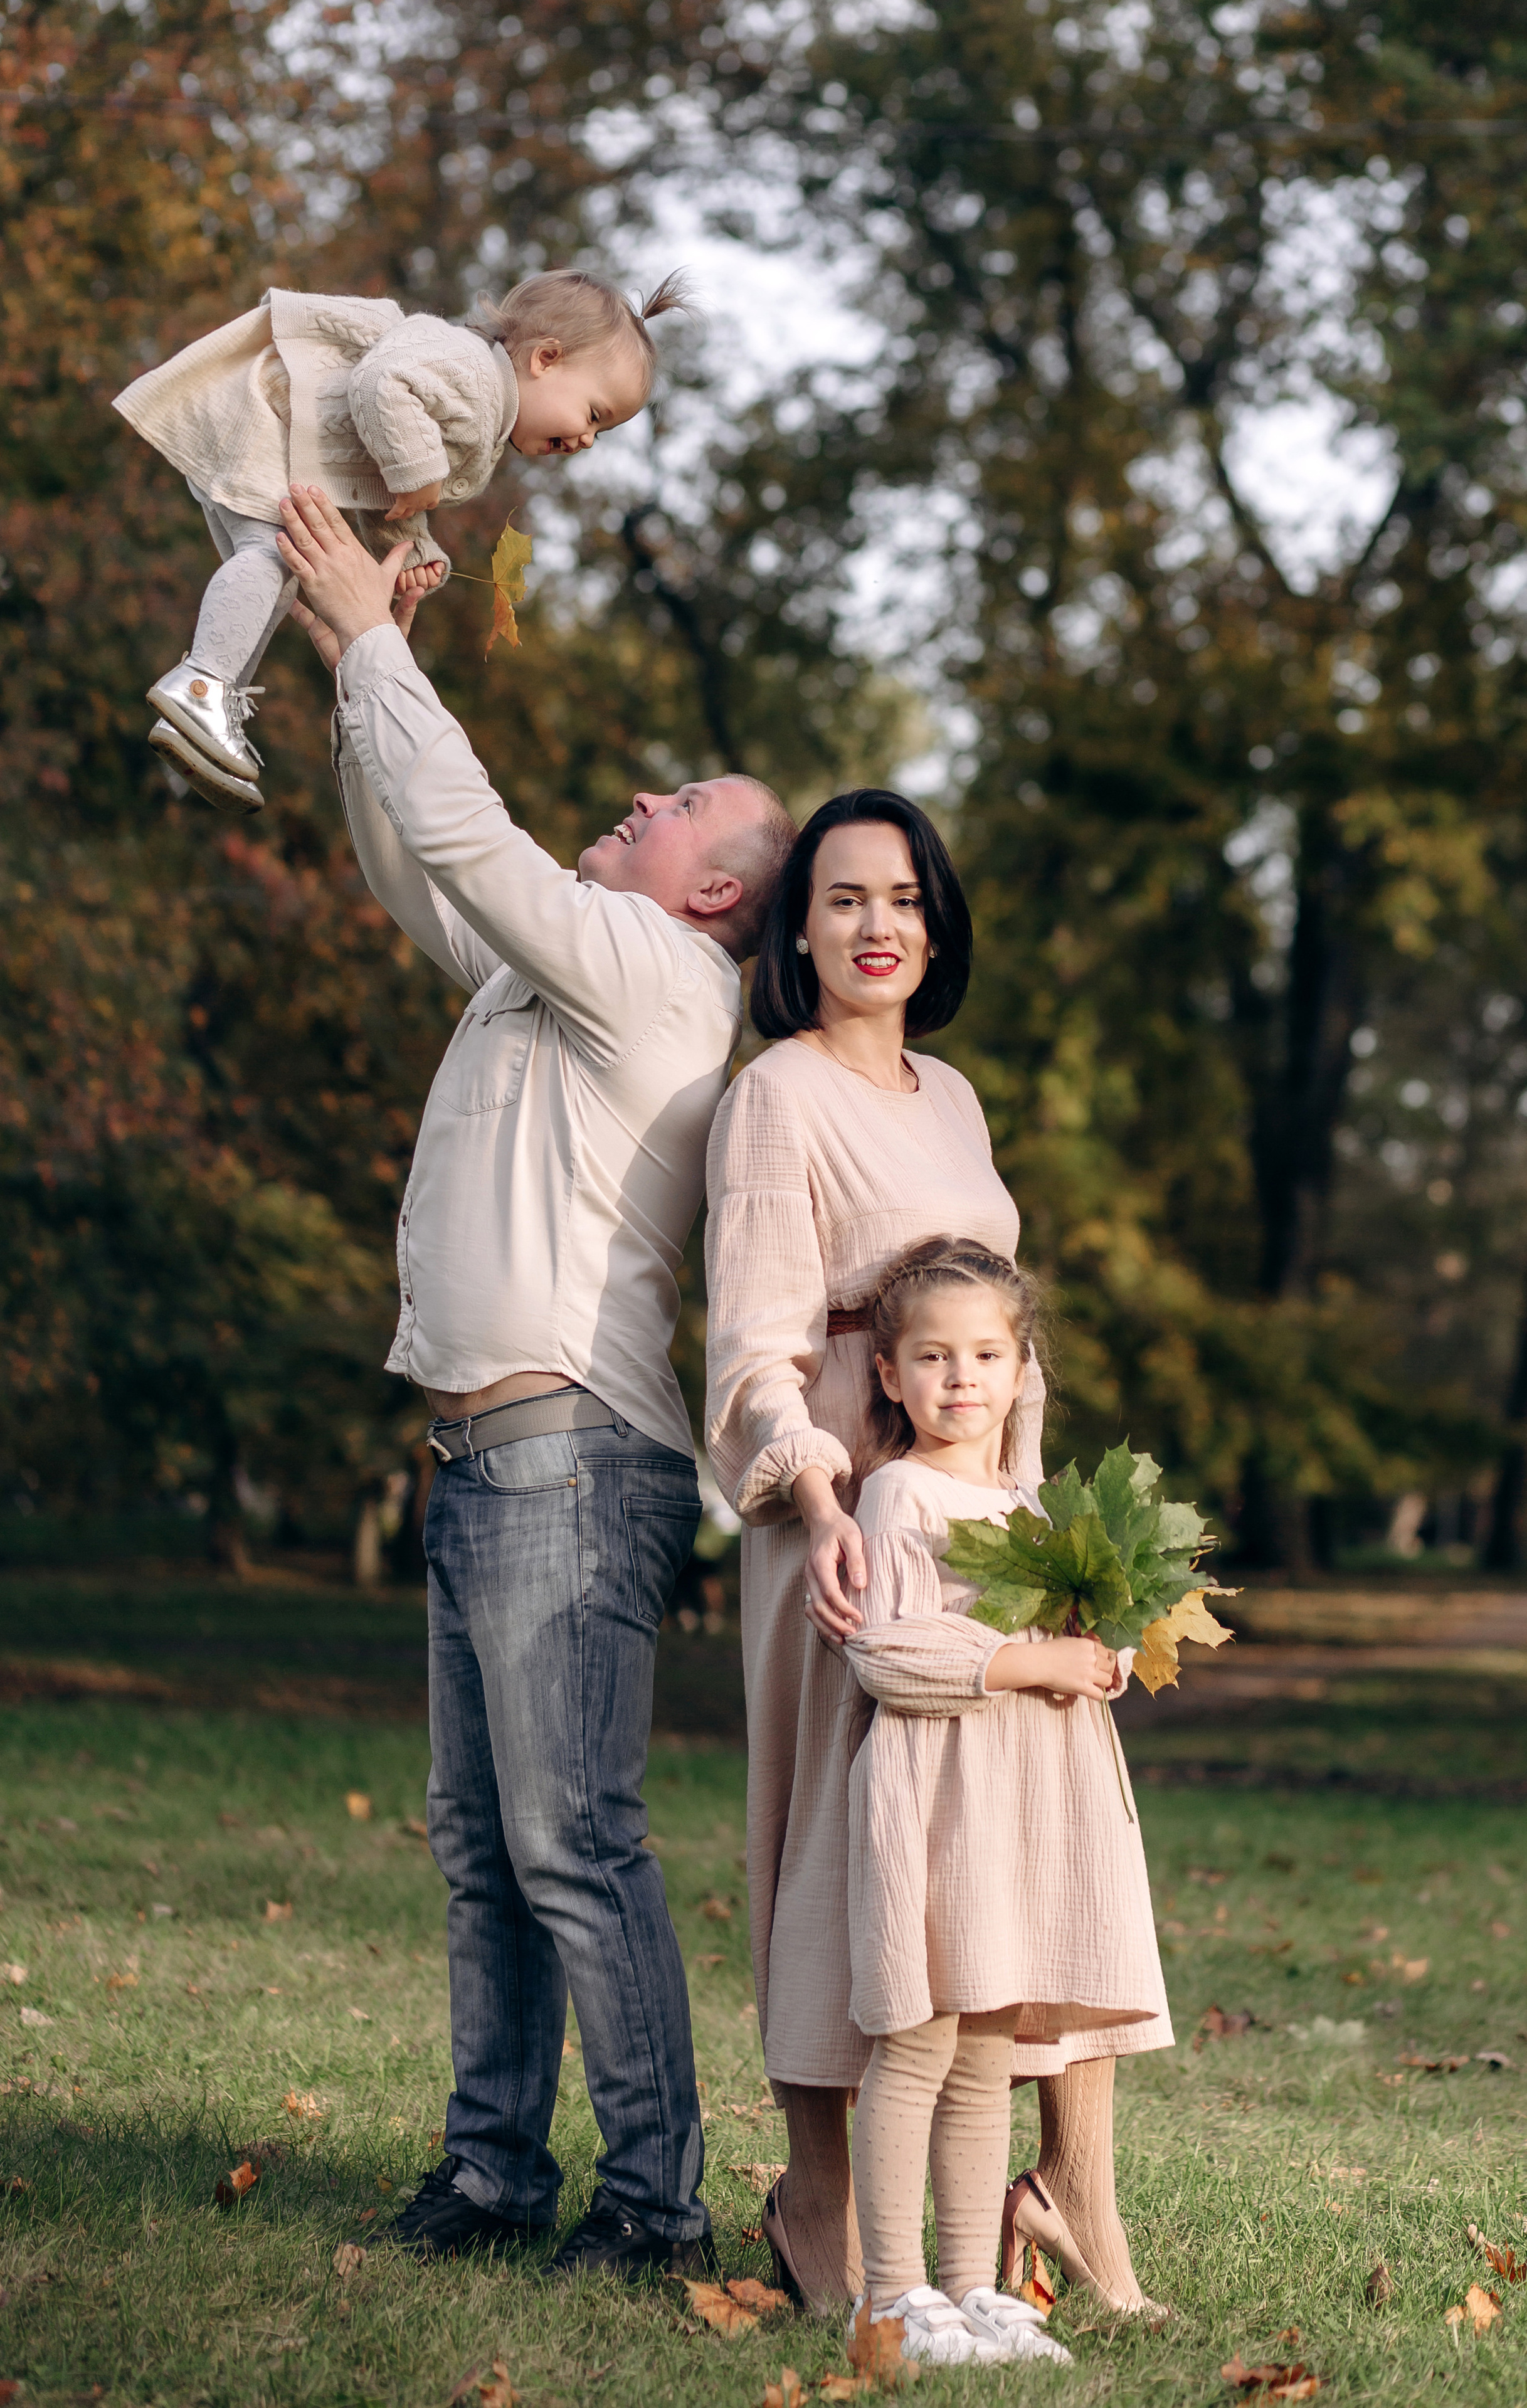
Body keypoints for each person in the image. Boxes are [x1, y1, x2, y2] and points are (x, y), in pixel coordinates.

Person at [276, 480, 797, 2279]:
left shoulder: (660, 977)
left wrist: (361, 640)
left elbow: (474, 835)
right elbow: (415, 852)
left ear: (714, 894)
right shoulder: (553, 975)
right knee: (487, 1859)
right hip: (491, 1460)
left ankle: (654, 2207)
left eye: (678, 812)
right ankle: (493, 2180)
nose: (640, 801)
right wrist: (377, 670)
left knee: (572, 1843)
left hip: (576, 1462)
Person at [704, 789, 1159, 2317]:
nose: (873, 924)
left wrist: (1044, 1533)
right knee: (857, 1856)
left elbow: (995, 1319)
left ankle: (1045, 2197)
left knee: (1002, 1846)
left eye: (900, 896)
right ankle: (826, 2203)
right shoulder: (774, 1094)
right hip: (849, 1516)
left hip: (979, 1510)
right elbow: (759, 1337)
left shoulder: (951, 1095)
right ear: (796, 928)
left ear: (934, 920)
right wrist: (824, 1501)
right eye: (840, 898)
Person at [842, 1239, 1171, 2363]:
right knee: (918, 2045)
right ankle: (890, 2294)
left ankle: (969, 2288)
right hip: (937, 1806)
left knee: (988, 2054)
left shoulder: (1041, 1504)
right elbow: (887, 1654)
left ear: (1022, 1369)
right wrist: (1030, 1668)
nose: (961, 1377)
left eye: (986, 1353)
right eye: (932, 1357)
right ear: (889, 1375)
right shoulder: (897, 1493)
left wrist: (1105, 1654)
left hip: (1018, 1819)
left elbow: (1073, 1634)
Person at [114, 269, 684, 810]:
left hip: (274, 430)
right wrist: (420, 471)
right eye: (593, 414)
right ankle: (204, 685)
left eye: (602, 432)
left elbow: (382, 479)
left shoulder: (485, 417)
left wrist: (415, 547)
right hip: (265, 412)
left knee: (282, 573)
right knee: (273, 555)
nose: (587, 440)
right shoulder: (471, 370)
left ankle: (204, 710)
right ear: (546, 359)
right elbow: (381, 383)